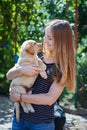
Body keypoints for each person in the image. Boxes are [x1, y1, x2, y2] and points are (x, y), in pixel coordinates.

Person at [6, 19, 76, 130]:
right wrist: (21, 70)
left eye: (49, 38)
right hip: (19, 119)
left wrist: (19, 97)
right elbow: (9, 76)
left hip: (41, 124)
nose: (44, 41)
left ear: (61, 42)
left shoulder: (61, 67)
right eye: (45, 36)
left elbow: (49, 99)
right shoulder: (36, 53)